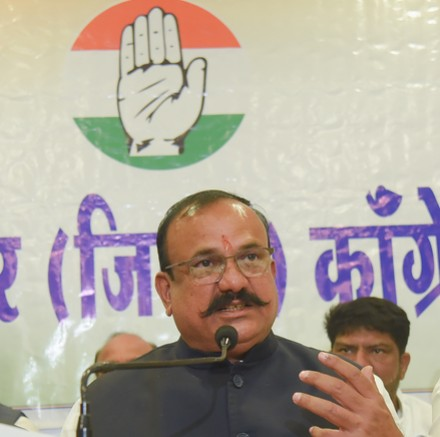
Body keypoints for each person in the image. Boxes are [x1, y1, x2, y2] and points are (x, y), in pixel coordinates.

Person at [63, 189, 402, 436]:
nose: (234, 282)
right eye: (205, 264)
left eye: (251, 258)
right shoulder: (101, 404)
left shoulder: (354, 389)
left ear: (272, 271)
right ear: (167, 292)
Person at [324, 296, 431, 436]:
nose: (360, 364)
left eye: (377, 351)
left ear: (403, 365)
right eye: (346, 350)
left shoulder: (431, 421)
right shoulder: (304, 419)